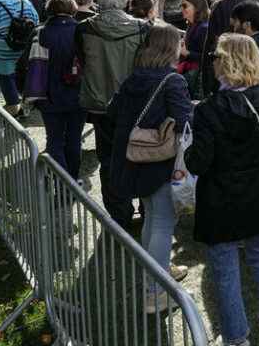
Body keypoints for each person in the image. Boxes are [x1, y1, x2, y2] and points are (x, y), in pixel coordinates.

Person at [186, 33, 259, 346]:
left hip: (221, 199)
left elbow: (199, 163)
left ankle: (237, 337)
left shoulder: (208, 109)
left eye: (217, 56)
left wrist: (187, 151)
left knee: (225, 269)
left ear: (226, 61)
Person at [106, 23, 192, 313]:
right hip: (159, 160)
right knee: (161, 221)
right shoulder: (172, 81)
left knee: (152, 217)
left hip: (132, 158)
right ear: (171, 47)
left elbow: (112, 112)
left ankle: (158, 271)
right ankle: (155, 291)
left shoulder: (134, 77)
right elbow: (184, 123)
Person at [74, 0, 148, 230]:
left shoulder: (84, 28)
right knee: (143, 154)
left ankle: (120, 215)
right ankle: (144, 210)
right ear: (125, 0)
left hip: (101, 101)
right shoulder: (141, 27)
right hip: (134, 103)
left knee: (109, 159)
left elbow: (83, 61)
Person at [36, 0, 85, 182]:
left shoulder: (40, 32)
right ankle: (72, 178)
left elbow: (25, 64)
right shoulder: (82, 31)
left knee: (54, 139)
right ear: (72, 8)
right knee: (74, 138)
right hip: (78, 93)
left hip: (48, 94)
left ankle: (64, 180)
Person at [201, 0, 259, 96]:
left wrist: (206, 80)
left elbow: (210, 43)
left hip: (227, 72)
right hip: (256, 71)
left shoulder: (221, 5)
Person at [178, 0, 208, 99]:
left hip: (196, 77)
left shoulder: (203, 28)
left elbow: (207, 57)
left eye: (185, 6)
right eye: (181, 5)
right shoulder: (192, 25)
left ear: (197, 7)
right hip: (188, 72)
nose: (181, 8)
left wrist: (187, 53)